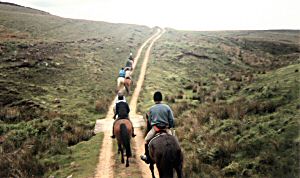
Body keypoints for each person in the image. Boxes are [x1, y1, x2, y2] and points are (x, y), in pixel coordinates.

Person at [140, 91, 175, 164]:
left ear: (154, 99)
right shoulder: (167, 107)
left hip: (155, 129)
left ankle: (147, 157)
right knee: (174, 141)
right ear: (161, 99)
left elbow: (149, 121)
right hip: (166, 129)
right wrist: (170, 126)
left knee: (146, 140)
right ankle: (176, 155)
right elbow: (171, 119)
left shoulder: (151, 109)